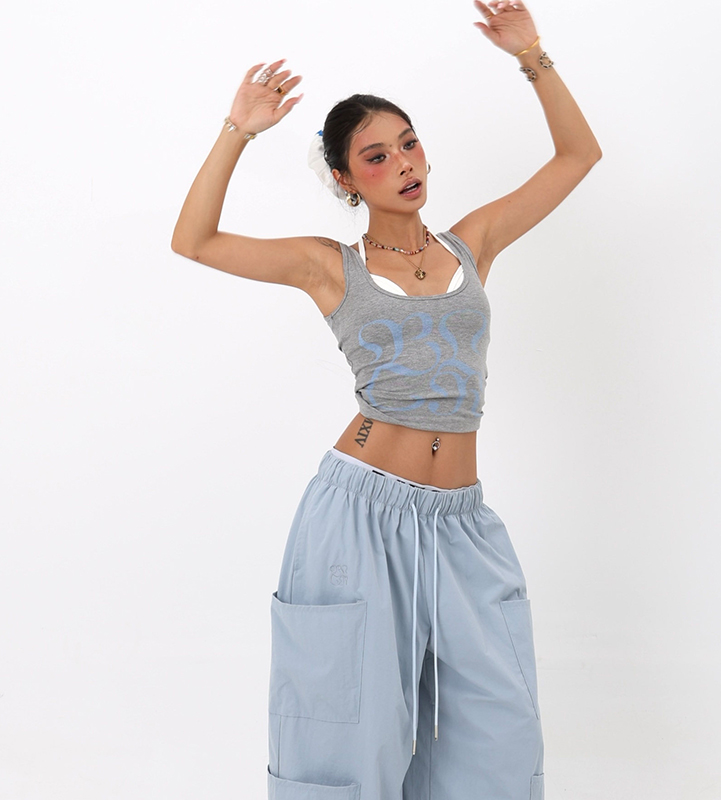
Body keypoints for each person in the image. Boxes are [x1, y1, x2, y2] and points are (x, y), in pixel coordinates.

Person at [172, 1, 601, 796]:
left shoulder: (472, 244)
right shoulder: (327, 265)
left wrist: (531, 53)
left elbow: (579, 156)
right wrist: (238, 130)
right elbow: (192, 241)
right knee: (351, 735)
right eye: (376, 156)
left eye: (409, 142)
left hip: (462, 525)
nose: (404, 163)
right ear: (344, 179)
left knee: (500, 734)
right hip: (359, 517)